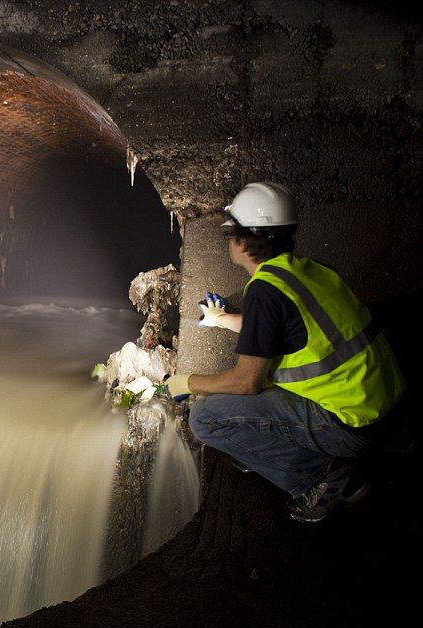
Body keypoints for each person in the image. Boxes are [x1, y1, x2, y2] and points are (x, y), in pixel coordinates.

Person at [166, 182, 405, 523]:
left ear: (243, 240)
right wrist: (221, 319)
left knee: (206, 418)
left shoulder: (264, 290)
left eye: (230, 234)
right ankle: (264, 448)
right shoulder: (308, 272)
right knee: (247, 404)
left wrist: (186, 382)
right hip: (387, 405)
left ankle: (326, 478)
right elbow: (283, 328)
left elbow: (246, 382)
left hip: (351, 426)